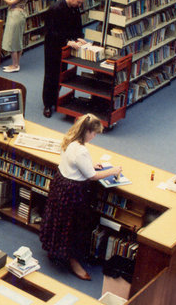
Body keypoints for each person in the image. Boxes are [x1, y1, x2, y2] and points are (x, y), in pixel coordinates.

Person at [39, 114, 121, 281]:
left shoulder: (70, 140)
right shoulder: (82, 150)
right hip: (73, 192)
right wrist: (113, 171)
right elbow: (92, 177)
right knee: (74, 227)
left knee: (59, 221)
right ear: (87, 131)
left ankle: (54, 249)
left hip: (60, 185)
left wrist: (90, 165)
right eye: (94, 133)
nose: (95, 137)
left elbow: (74, 162)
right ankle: (73, 261)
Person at [42, 0, 86, 118]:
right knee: (51, 75)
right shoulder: (55, 9)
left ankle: (55, 98)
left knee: (61, 73)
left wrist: (79, 37)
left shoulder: (74, 8)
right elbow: (51, 32)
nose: (79, 5)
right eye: (78, 2)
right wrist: (67, 41)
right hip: (53, 46)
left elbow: (77, 25)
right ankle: (47, 105)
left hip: (66, 47)